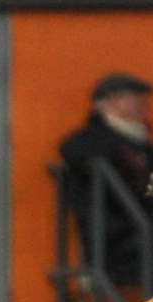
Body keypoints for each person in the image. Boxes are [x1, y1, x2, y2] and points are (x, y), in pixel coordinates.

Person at [61, 73, 153, 287]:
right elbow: (71, 150)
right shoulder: (93, 139)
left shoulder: (142, 144)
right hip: (117, 237)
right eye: (131, 98)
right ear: (106, 103)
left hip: (139, 230)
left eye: (141, 99)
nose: (141, 104)